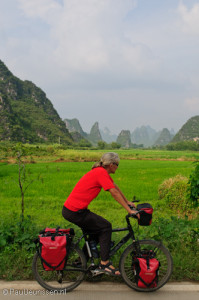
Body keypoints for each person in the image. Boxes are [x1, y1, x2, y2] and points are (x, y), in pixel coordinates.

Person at [62, 152, 137, 276]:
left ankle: (82, 261)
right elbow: (113, 192)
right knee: (105, 226)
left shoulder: (100, 171)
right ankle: (105, 263)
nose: (118, 167)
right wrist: (129, 210)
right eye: (117, 165)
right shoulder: (101, 172)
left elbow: (115, 187)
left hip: (73, 210)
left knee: (95, 233)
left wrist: (127, 201)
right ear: (111, 164)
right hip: (75, 211)